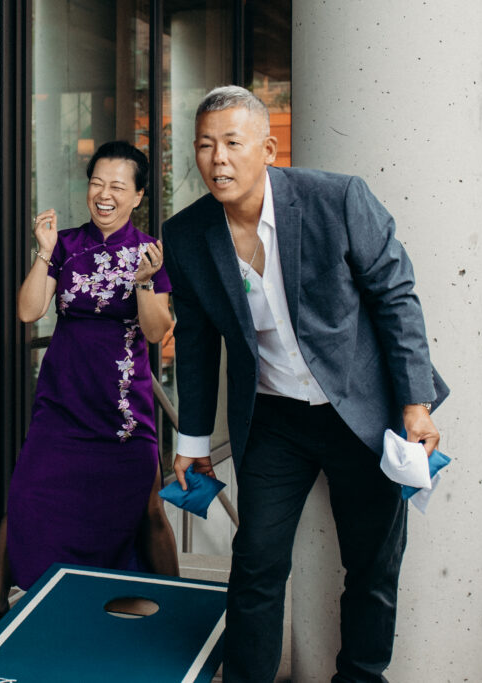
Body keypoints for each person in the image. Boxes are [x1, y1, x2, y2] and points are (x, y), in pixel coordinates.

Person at [162, 85, 448, 682]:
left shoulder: (336, 199)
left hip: (360, 413)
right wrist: (191, 443)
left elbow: (396, 298)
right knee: (257, 562)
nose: (218, 159)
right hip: (273, 421)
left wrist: (415, 408)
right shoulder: (187, 235)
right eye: (205, 145)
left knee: (372, 566)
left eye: (233, 143)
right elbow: (193, 341)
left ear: (268, 148)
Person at [0, 141, 179, 644]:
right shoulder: (67, 245)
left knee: (147, 506)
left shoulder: (150, 253)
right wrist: (42, 250)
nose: (104, 195)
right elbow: (28, 311)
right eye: (97, 183)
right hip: (62, 401)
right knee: (25, 494)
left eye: (118, 186)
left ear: (138, 195)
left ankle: (176, 605)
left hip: (122, 408)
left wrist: (145, 283)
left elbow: (154, 332)